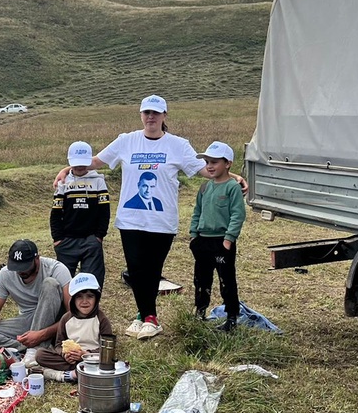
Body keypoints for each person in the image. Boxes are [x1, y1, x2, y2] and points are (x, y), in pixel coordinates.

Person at [55, 94, 246, 340]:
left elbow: (207, 170)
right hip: (130, 220)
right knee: (135, 271)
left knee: (153, 270)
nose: (150, 117)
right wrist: (67, 169)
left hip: (161, 222)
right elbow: (94, 162)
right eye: (146, 113)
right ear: (141, 115)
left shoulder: (177, 145)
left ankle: (146, 316)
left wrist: (235, 177)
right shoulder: (127, 141)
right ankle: (147, 316)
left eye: (156, 113)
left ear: (164, 116)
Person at [0, 239, 71, 366]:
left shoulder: (56, 269)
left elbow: (72, 315)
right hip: (28, 320)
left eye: (25, 267)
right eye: (17, 268)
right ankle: (32, 348)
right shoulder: (5, 274)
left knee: (50, 283)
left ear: (37, 259)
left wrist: (41, 334)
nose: (21, 271)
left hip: (56, 321)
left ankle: (35, 348)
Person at [189, 141, 246, 333]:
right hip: (203, 240)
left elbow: (238, 215)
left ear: (228, 163)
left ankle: (231, 317)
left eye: (214, 161)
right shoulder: (205, 187)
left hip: (222, 241)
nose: (210, 166)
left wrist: (228, 239)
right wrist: (194, 235)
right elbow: (197, 211)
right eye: (207, 162)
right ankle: (200, 311)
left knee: (226, 280)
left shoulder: (232, 187)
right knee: (201, 279)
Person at [50, 141, 110, 288]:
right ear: (70, 161)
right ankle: (65, 311)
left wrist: (99, 236)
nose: (80, 166)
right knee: (62, 285)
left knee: (92, 284)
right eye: (76, 163)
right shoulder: (63, 182)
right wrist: (58, 239)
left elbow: (104, 212)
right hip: (67, 241)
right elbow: (56, 212)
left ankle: (89, 311)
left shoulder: (98, 181)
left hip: (91, 240)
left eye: (83, 163)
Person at [35, 272, 113, 382]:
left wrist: (86, 354)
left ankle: (70, 374)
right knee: (40, 355)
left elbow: (107, 348)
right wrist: (65, 354)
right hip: (70, 360)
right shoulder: (66, 319)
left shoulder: (101, 319)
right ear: (73, 299)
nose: (85, 301)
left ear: (97, 298)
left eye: (90, 296)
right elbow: (58, 344)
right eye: (79, 297)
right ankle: (77, 372)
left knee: (107, 360)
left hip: (92, 358)